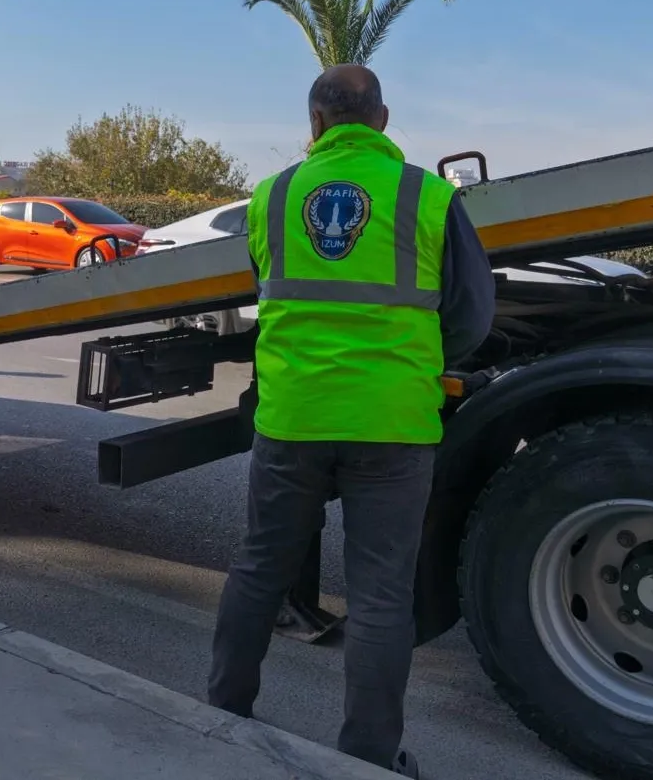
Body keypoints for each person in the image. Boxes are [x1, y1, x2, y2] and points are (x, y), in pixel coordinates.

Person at [208, 64, 495, 777]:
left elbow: (268, 290)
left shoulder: (271, 196)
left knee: (258, 569)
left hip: (293, 416)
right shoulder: (427, 196)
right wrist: (415, 361)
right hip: (392, 424)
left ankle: (220, 716)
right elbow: (471, 315)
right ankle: (367, 758)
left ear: (314, 122)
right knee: (379, 596)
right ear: (383, 120)